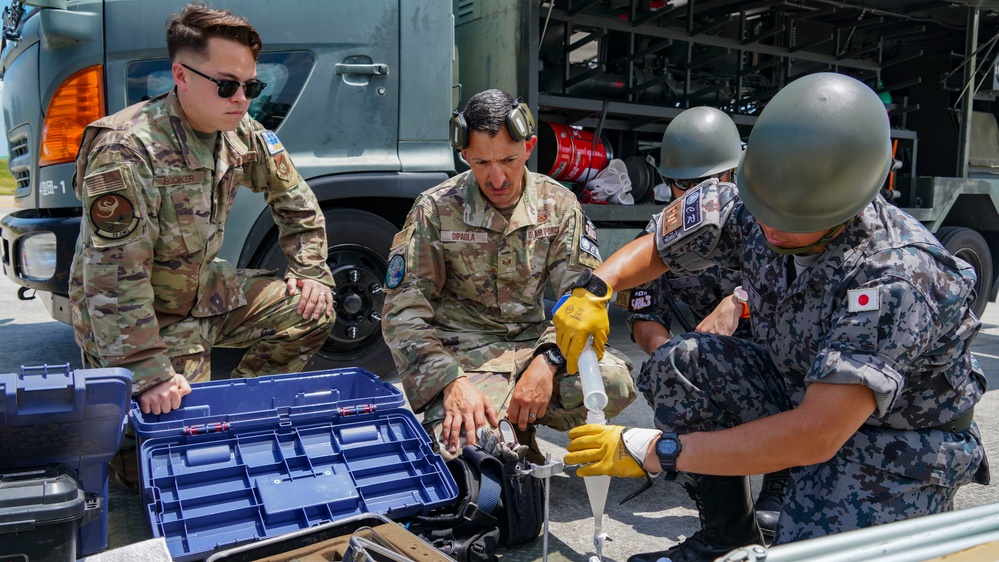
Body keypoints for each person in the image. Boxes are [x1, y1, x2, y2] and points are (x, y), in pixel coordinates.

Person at [554, 73, 989, 562]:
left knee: (805, 555)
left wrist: (657, 450)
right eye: (765, 209)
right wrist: (593, 290)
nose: (772, 227)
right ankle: (725, 535)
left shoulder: (895, 274)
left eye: (793, 219)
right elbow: (661, 243)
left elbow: (817, 434)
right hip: (801, 388)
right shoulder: (756, 197)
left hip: (897, 441)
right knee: (683, 362)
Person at [69, 4, 336, 420]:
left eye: (252, 87)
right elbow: (114, 276)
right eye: (228, 86)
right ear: (181, 76)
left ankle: (243, 411)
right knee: (154, 461)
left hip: (201, 294)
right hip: (139, 322)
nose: (243, 100)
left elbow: (296, 202)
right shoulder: (127, 149)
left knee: (312, 310)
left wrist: (310, 270)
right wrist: (148, 372)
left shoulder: (240, 130)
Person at [381, 89, 635, 462]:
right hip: (465, 357)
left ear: (529, 147)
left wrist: (548, 362)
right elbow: (403, 314)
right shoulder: (435, 209)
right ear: (464, 154)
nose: (496, 177)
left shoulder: (559, 205)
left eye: (509, 159)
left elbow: (579, 300)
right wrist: (451, 382)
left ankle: (517, 422)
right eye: (481, 162)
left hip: (534, 345)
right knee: (467, 456)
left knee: (612, 382)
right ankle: (492, 425)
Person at [624, 106, 788, 541]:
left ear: (734, 175)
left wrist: (740, 301)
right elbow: (645, 313)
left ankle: (783, 482)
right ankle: (722, 517)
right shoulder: (664, 231)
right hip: (720, 362)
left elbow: (799, 285)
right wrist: (671, 360)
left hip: (781, 362)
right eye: (683, 184)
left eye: (706, 184)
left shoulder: (768, 217)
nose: (693, 195)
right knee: (672, 368)